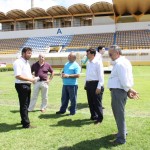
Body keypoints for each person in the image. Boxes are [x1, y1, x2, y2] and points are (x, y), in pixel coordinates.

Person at [107, 45, 139, 145]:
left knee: (119, 114)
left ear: (117, 53)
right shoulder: (124, 62)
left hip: (118, 91)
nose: (109, 56)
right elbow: (127, 78)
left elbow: (124, 80)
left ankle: (121, 138)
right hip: (120, 91)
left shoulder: (120, 64)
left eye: (110, 54)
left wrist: (129, 89)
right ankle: (123, 132)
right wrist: (128, 90)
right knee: (119, 113)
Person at [13, 47, 38, 129]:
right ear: (23, 53)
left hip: (27, 85)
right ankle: (26, 124)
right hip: (21, 85)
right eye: (28, 53)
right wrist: (30, 79)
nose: (30, 55)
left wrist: (33, 77)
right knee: (24, 105)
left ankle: (24, 120)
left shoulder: (27, 62)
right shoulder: (18, 62)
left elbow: (26, 74)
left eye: (31, 53)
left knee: (26, 104)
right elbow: (18, 76)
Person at [85, 48, 104, 124]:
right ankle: (93, 116)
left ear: (93, 54)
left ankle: (100, 118)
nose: (86, 55)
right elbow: (88, 74)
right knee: (90, 101)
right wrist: (86, 84)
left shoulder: (98, 63)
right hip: (89, 84)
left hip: (96, 84)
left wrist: (99, 86)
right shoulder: (88, 63)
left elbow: (101, 76)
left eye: (88, 53)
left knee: (97, 102)